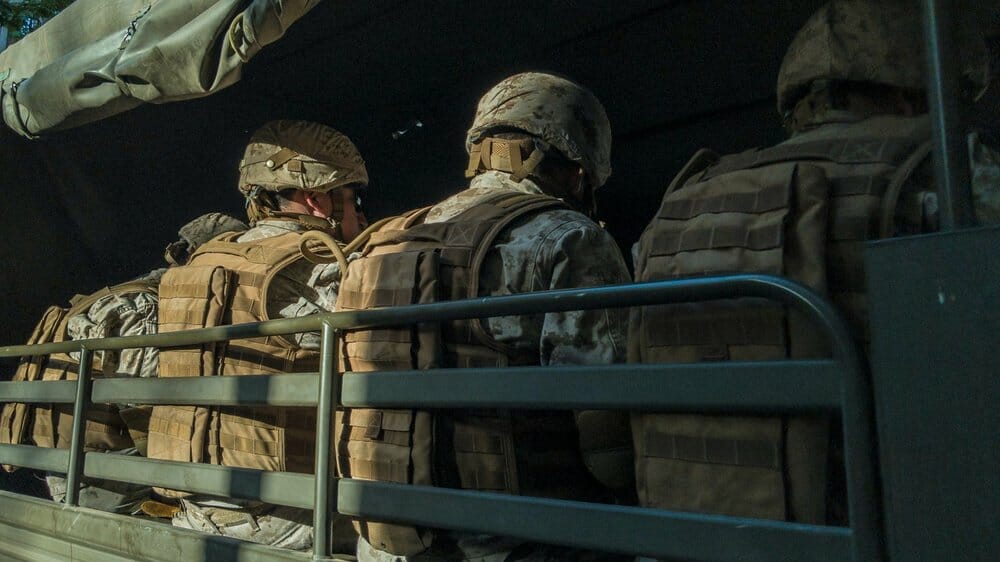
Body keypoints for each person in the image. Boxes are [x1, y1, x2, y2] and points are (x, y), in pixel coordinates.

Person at [629, 0, 993, 527]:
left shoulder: (685, 199)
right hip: (891, 527)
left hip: (697, 532)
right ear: (917, 84)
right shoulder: (947, 169)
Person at [335, 72, 632, 561]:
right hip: (520, 543)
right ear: (579, 168)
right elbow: (611, 441)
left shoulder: (383, 241)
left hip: (390, 540)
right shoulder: (567, 236)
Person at [145, 120, 370, 552]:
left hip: (194, 505)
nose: (360, 211)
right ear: (317, 198)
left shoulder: (201, 262)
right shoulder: (319, 266)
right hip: (283, 516)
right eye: (352, 198)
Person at [0, 212, 248, 514]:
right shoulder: (143, 308)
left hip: (80, 462)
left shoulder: (132, 296)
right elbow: (148, 416)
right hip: (97, 476)